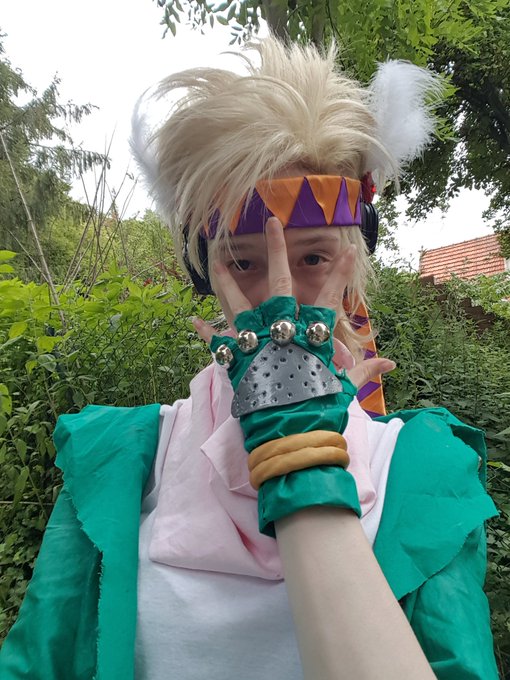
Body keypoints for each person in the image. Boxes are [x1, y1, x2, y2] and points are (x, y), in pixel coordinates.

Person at [0, 36, 499, 680]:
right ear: (204, 271)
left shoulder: (424, 468)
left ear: (352, 266)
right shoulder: (119, 460)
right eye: (242, 261)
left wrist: (296, 438)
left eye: (312, 257)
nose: (276, 295)